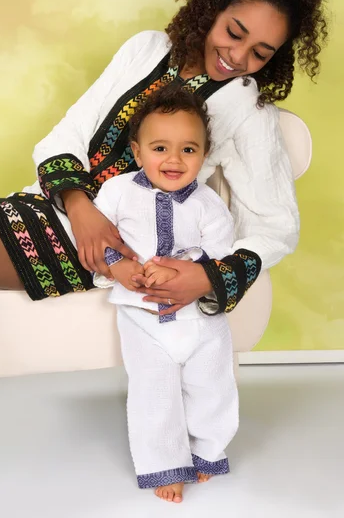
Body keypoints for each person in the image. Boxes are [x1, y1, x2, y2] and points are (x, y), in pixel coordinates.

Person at [0, 0, 327, 318]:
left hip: (112, 252)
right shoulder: (146, 49)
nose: (238, 56)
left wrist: (208, 276)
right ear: (212, 8)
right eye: (234, 33)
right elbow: (69, 132)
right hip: (53, 205)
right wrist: (80, 208)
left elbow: (276, 227)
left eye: (259, 53)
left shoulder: (248, 111)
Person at [92, 84, 241, 502]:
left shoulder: (209, 205)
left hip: (201, 318)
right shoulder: (118, 192)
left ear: (204, 155)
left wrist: (191, 270)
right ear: (138, 153)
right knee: (153, 391)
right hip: (142, 316)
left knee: (213, 386)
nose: (173, 160)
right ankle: (164, 466)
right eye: (160, 148)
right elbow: (103, 238)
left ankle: (208, 451)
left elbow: (220, 254)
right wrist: (120, 264)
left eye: (188, 150)